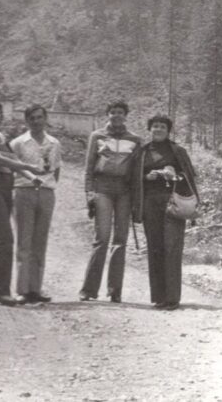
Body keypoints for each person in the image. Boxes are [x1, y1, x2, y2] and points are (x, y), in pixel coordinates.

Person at [0, 99, 45, 307]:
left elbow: (12, 162)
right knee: (6, 239)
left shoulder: (1, 137)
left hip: (6, 187)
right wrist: (29, 166)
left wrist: (32, 177)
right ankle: (1, 292)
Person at [131, 114, 199, 311]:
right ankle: (159, 298)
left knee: (172, 248)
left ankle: (172, 298)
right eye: (155, 126)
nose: (158, 129)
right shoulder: (142, 153)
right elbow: (134, 178)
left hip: (173, 203)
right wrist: (146, 176)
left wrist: (175, 175)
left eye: (162, 126)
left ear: (168, 130)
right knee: (155, 248)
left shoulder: (177, 151)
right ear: (149, 129)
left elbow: (190, 176)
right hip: (150, 204)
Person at [79, 100, 142, 303]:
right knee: (102, 239)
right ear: (107, 114)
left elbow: (137, 173)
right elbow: (89, 167)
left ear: (126, 115)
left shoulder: (135, 140)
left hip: (124, 192)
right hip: (102, 189)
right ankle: (89, 290)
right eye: (113, 112)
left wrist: (136, 200)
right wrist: (89, 193)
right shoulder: (97, 136)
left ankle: (115, 291)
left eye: (120, 112)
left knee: (120, 241)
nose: (116, 116)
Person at [9, 104, 62, 304]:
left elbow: (56, 169)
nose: (36, 121)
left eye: (40, 117)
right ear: (27, 120)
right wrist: (30, 182)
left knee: (40, 242)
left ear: (45, 118)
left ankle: (35, 289)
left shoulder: (54, 143)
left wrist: (49, 185)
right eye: (32, 118)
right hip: (24, 192)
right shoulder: (18, 143)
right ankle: (22, 290)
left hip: (47, 193)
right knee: (24, 242)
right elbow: (14, 168)